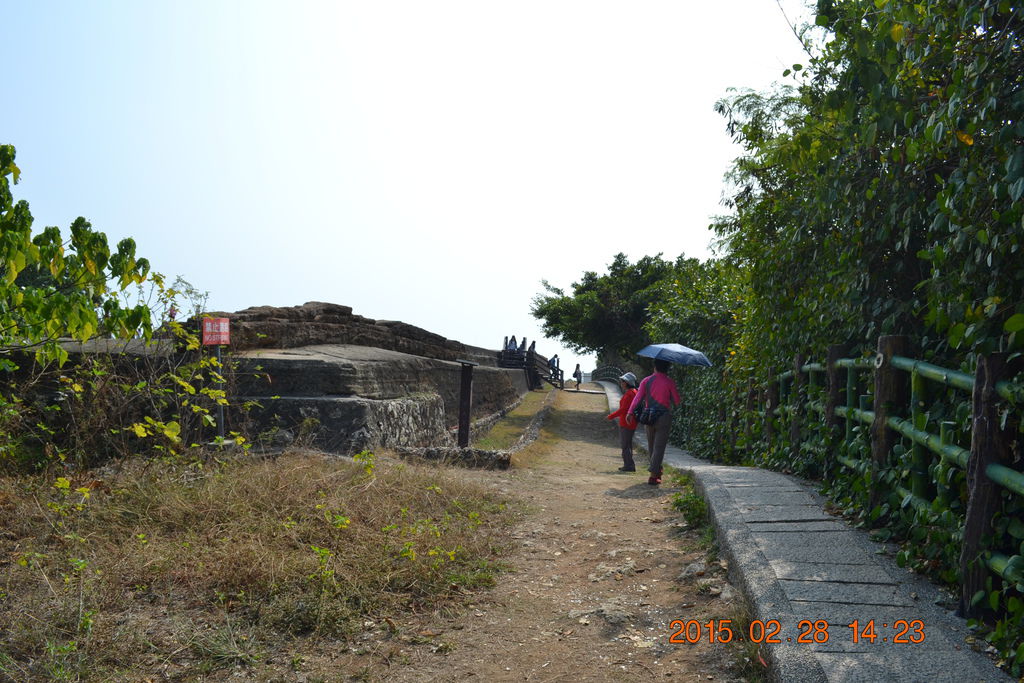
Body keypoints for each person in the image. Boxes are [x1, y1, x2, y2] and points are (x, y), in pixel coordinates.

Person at [628, 358, 680, 485]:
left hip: (649, 416)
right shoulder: (669, 382)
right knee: (659, 447)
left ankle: (656, 472)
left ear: (655, 366)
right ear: (667, 368)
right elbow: (677, 401)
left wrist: (630, 412)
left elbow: (637, 399)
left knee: (652, 446)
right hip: (663, 417)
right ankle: (653, 475)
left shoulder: (646, 381)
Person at [606, 372, 639, 472]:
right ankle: (629, 464)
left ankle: (629, 465)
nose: (621, 383)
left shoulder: (629, 393)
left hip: (627, 421)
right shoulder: (634, 392)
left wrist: (611, 416)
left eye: (622, 381)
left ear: (626, 382)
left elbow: (623, 409)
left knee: (625, 445)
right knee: (628, 444)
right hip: (631, 421)